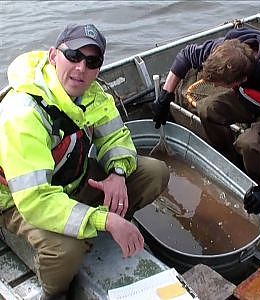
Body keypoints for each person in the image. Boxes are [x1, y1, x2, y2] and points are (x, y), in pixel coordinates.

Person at [0, 24, 169, 299]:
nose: (81, 68)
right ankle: (55, 288)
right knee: (68, 249)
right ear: (54, 55)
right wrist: (105, 220)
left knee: (154, 172)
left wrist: (116, 173)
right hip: (18, 202)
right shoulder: (23, 114)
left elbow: (117, 138)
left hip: (72, 181)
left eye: (92, 61)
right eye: (74, 55)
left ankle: (103, 228)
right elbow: (36, 200)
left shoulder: (92, 94)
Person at [152, 26, 260, 215]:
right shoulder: (224, 50)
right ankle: (229, 163)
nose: (213, 87)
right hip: (252, 98)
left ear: (241, 79)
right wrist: (166, 95)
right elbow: (185, 56)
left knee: (249, 143)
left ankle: (257, 189)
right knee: (206, 108)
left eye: (218, 85)